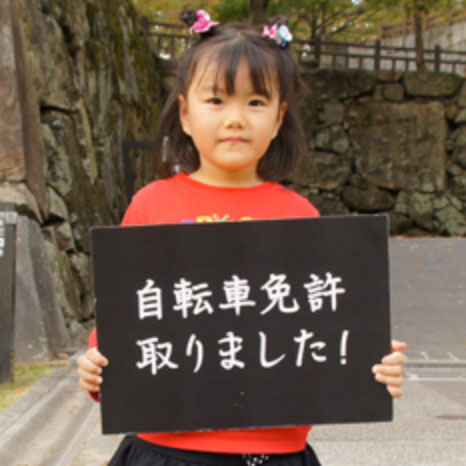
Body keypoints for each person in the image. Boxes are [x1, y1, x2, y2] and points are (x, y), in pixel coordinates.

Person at [77, 9, 407, 466]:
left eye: (255, 102)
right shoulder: (151, 206)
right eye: (216, 100)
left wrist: (373, 362)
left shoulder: (300, 217)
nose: (236, 118)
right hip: (169, 449)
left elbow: (329, 328)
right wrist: (97, 364)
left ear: (278, 119)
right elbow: (126, 317)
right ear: (185, 114)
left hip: (275, 450)